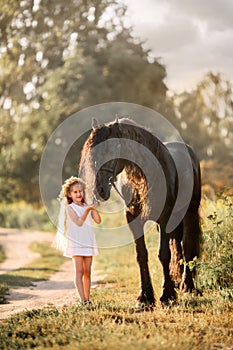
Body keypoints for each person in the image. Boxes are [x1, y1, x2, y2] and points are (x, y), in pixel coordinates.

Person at [56, 176, 101, 305]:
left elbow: (98, 221)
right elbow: (79, 222)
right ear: (70, 194)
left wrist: (94, 209)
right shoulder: (70, 208)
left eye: (80, 191)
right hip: (76, 243)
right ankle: (82, 300)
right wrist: (87, 210)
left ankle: (88, 299)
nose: (79, 194)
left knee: (87, 272)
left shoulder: (87, 206)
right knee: (79, 271)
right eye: (75, 192)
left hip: (88, 242)